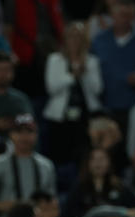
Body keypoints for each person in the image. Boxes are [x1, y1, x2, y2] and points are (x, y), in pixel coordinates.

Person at [42, 21, 102, 165]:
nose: (75, 41)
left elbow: (98, 89)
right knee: (60, 157)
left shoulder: (92, 61)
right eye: (72, 36)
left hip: (85, 118)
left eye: (79, 37)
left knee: (83, 158)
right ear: (65, 39)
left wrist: (85, 72)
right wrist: (72, 76)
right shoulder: (55, 60)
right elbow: (52, 88)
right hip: (59, 119)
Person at [0, 114, 56, 217]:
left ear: (36, 135)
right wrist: (8, 206)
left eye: (29, 132)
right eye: (19, 132)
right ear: (11, 135)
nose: (24, 136)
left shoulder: (46, 165)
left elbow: (51, 201)